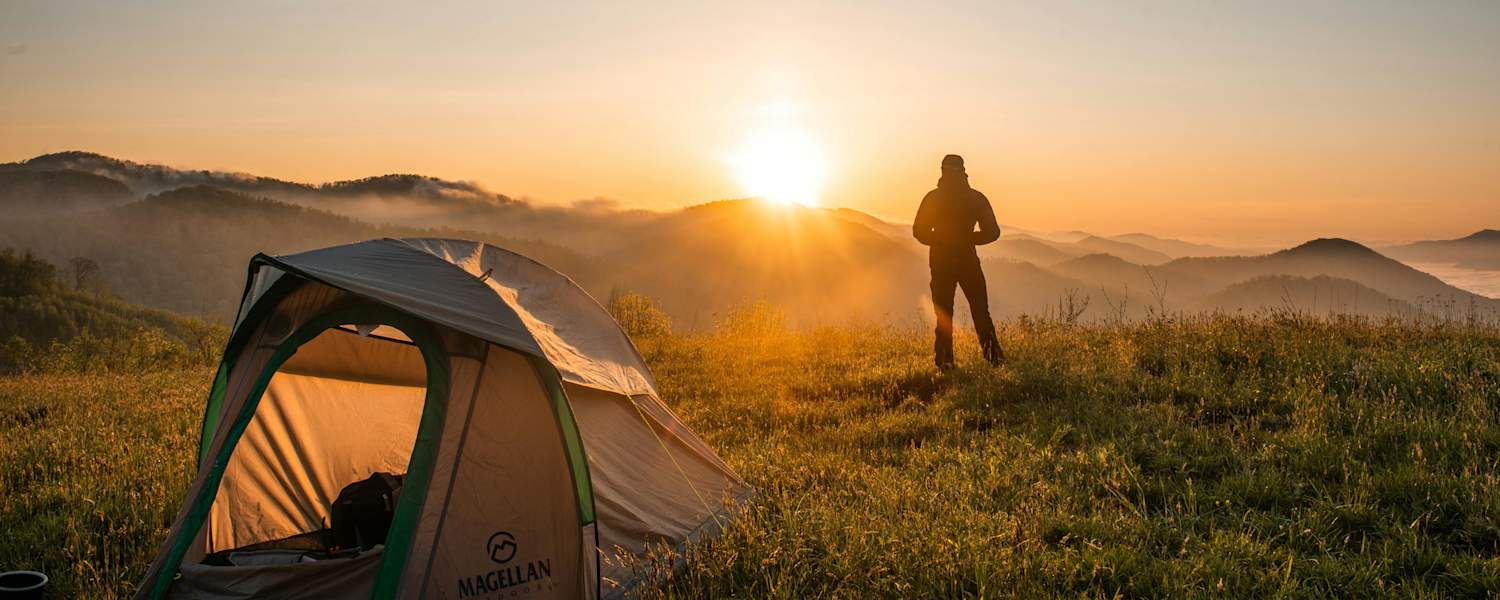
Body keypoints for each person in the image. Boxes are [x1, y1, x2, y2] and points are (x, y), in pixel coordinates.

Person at [912, 154, 1003, 368]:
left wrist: (940, 239)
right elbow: (993, 232)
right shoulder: (975, 198)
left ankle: (945, 362)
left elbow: (919, 231)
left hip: (941, 262)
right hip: (968, 260)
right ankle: (995, 360)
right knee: (980, 311)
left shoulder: (933, 198)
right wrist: (968, 238)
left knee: (944, 313)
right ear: (963, 171)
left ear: (942, 170)